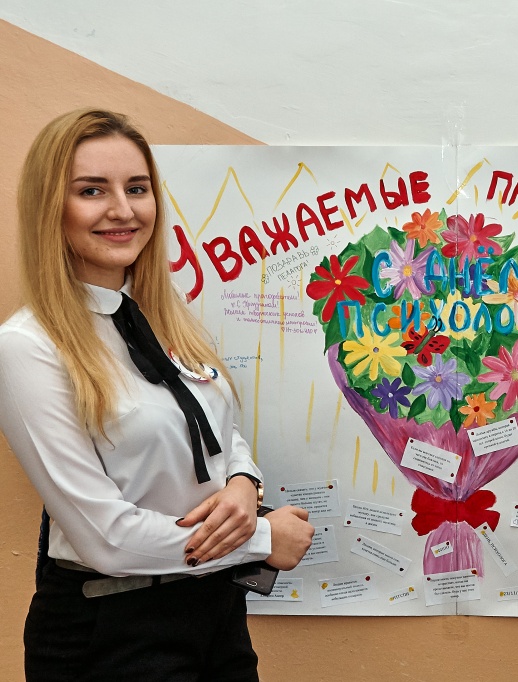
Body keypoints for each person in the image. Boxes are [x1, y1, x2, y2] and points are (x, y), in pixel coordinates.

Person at [0, 109, 314, 681]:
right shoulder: (27, 346)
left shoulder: (166, 315)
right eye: (92, 190)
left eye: (137, 188)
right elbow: (106, 539)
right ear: (50, 207)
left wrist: (244, 484)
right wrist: (262, 538)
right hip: (111, 627)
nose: (123, 209)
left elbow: (220, 430)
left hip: (216, 611)